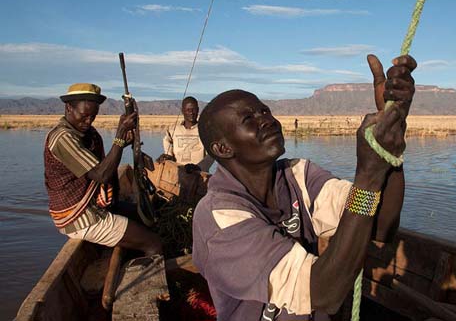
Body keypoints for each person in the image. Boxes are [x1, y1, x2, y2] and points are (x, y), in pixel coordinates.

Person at [192, 54, 416, 320]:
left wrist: (392, 137)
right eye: (248, 119)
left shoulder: (296, 174)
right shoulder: (218, 218)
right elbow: (324, 293)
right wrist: (367, 177)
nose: (267, 120)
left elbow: (381, 225)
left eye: (265, 110)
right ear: (223, 148)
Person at [44, 83, 162, 256]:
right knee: (154, 244)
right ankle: (150, 280)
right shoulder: (62, 138)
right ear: (68, 108)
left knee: (147, 216)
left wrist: (122, 143)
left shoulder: (88, 134)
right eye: (84, 115)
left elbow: (104, 167)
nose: (88, 121)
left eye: (93, 116)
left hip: (94, 206)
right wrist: (120, 137)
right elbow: (101, 175)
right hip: (79, 216)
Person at [159, 96, 214, 173]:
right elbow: (168, 147)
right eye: (188, 110)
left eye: (193, 109)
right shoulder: (173, 130)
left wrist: (199, 167)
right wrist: (168, 158)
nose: (191, 112)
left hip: (200, 176)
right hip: (177, 175)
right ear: (182, 111)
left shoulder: (205, 131)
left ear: (198, 110)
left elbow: (212, 155)